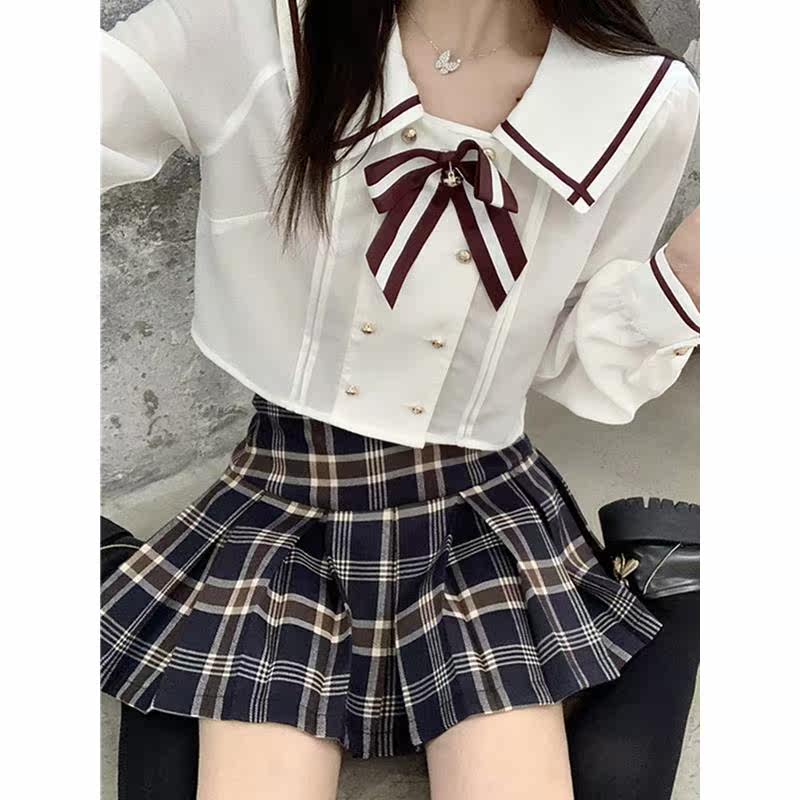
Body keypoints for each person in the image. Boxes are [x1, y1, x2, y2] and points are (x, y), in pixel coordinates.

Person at [100, 2, 700, 799]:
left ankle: (676, 588)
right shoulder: (256, 27)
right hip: (285, 509)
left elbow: (565, 352)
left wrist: (680, 287)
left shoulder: (638, 100)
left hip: (476, 519)